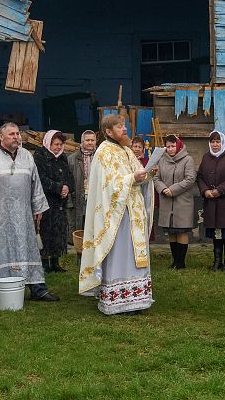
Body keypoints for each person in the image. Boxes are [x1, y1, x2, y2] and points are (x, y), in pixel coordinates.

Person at [0, 123, 59, 302]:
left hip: (23, 215)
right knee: (0, 251)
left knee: (28, 249)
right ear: (1, 137)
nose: (16, 137)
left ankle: (38, 289)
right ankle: (3, 289)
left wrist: (38, 207)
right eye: (11, 134)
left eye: (17, 133)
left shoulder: (27, 157)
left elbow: (35, 184)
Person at [79, 114, 154, 315]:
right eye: (119, 126)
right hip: (116, 215)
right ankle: (118, 300)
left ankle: (137, 299)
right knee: (120, 255)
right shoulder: (104, 152)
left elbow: (138, 174)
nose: (124, 129)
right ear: (108, 131)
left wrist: (148, 173)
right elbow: (108, 185)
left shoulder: (126, 150)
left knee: (134, 255)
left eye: (124, 125)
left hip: (133, 212)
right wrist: (132, 178)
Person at [196, 130, 225, 272]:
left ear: (223, 142)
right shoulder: (206, 157)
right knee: (216, 232)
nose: (215, 144)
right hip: (211, 201)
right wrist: (205, 191)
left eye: (218, 142)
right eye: (212, 142)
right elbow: (200, 177)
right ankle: (217, 262)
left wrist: (220, 190)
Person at [33, 130, 73, 273]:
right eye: (55, 144)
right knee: (45, 231)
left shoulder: (62, 158)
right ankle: (44, 263)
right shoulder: (39, 157)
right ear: (48, 143)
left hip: (60, 203)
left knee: (58, 232)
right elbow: (40, 179)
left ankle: (55, 262)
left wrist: (67, 187)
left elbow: (69, 176)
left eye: (60, 144)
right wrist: (58, 187)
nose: (58, 147)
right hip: (45, 201)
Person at [154, 135, 196, 269]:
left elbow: (190, 179)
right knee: (171, 231)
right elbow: (156, 178)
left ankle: (181, 262)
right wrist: (163, 189)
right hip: (166, 201)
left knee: (181, 231)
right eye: (168, 146)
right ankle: (174, 261)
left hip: (182, 201)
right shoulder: (162, 160)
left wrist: (172, 190)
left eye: (173, 146)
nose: (171, 149)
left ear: (178, 146)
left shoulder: (188, 160)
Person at [67, 130, 97, 237]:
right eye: (87, 140)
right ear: (82, 142)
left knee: (95, 227)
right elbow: (67, 181)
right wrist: (69, 202)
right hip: (78, 197)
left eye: (92, 140)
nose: (90, 142)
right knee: (79, 229)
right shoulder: (72, 159)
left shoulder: (101, 157)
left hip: (96, 197)